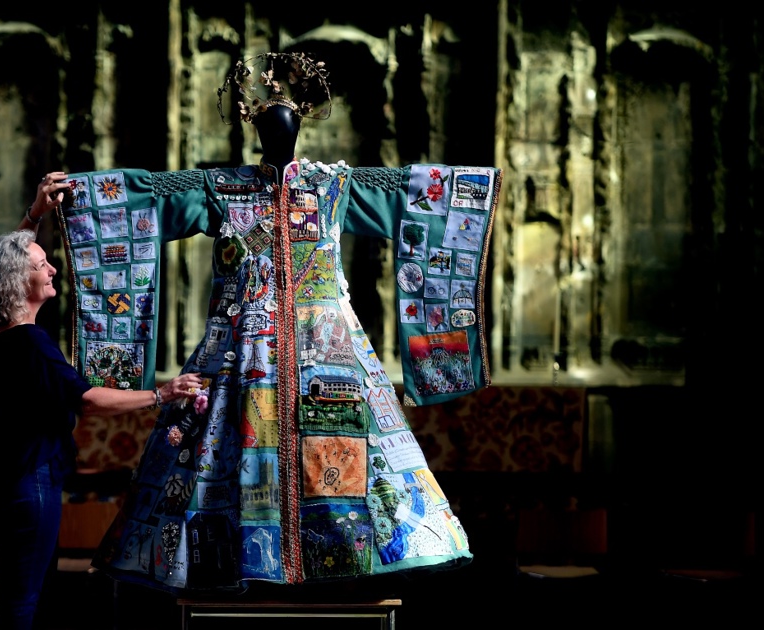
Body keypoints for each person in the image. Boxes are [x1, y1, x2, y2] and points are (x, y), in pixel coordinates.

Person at [52, 51, 502, 595]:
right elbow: (147, 195)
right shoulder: (224, 187)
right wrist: (75, 191)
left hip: (331, 353)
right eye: (266, 124)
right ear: (253, 130)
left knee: (354, 459)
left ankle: (343, 563)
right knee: (224, 462)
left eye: (285, 121)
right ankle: (240, 563)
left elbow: (414, 196)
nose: (277, 131)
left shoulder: (336, 186)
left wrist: (476, 183)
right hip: (242, 353)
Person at [0, 178, 203, 629]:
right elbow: (90, 400)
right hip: (31, 481)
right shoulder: (31, 344)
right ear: (21, 280)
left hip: (4, 478)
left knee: (16, 592)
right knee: (25, 600)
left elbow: (5, 262)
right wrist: (163, 392)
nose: (53, 269)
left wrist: (35, 214)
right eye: (42, 265)